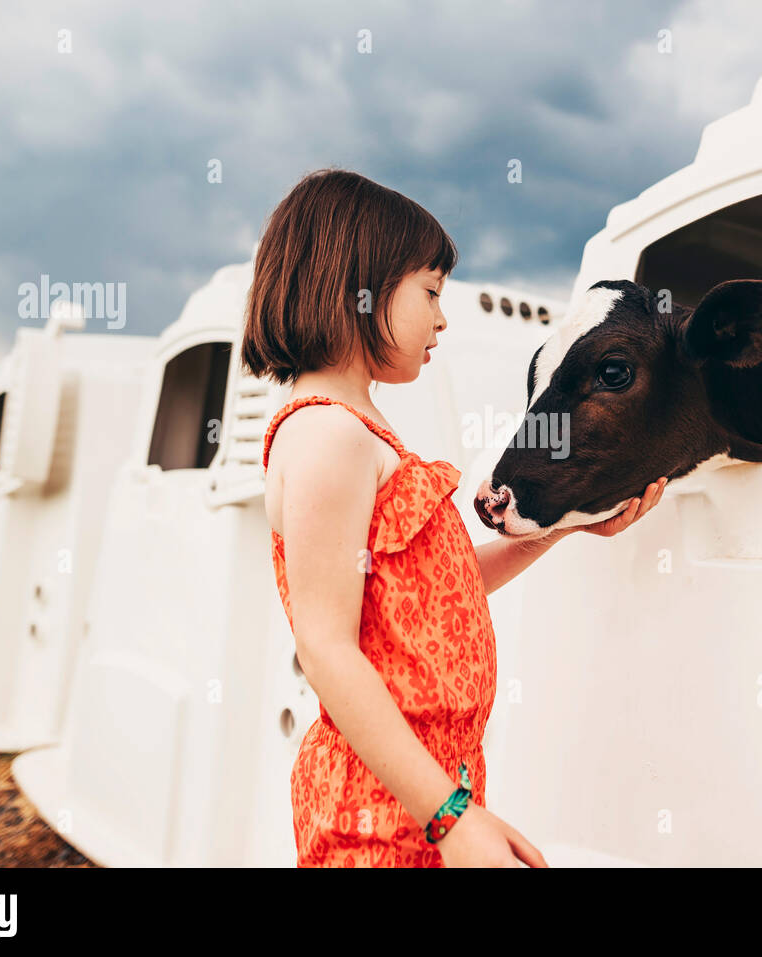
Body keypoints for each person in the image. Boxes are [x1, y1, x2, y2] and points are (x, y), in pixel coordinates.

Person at [243, 168, 667, 867]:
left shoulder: (361, 429)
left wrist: (564, 527)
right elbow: (326, 650)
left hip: (429, 787)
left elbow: (439, 587)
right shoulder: (328, 436)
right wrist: (450, 817)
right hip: (380, 809)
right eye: (432, 291)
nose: (443, 317)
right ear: (362, 286)